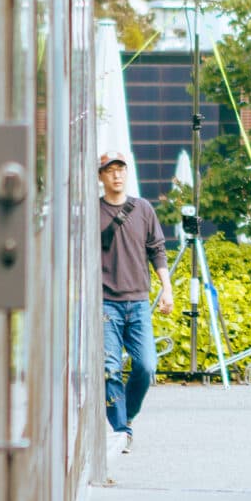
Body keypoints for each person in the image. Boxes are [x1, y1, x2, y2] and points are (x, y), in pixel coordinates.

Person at [97, 153, 175, 454]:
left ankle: (126, 414)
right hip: (106, 303)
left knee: (146, 366)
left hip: (139, 301)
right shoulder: (94, 211)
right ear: (101, 177)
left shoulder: (143, 209)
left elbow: (157, 250)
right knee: (110, 369)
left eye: (121, 170)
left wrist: (166, 289)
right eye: (110, 171)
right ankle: (121, 430)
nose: (116, 176)